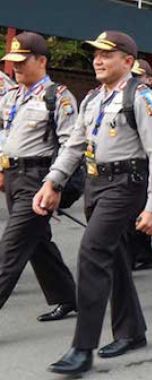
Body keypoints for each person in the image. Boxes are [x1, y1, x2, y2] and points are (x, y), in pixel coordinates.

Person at [34, 30, 152, 375]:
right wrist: (53, 181)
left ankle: (82, 347)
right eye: (95, 54)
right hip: (97, 183)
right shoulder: (93, 99)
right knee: (116, 256)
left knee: (92, 253)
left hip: (126, 185)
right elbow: (74, 146)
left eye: (107, 54)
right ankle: (132, 330)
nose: (97, 59)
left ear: (128, 61)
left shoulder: (142, 99)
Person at [0, 32, 77, 322]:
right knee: (38, 243)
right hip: (14, 176)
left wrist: (54, 183)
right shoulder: (11, 96)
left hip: (38, 179)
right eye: (13, 62)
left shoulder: (58, 97)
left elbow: (71, 144)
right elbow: (5, 134)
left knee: (11, 246)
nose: (16, 67)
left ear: (42, 61)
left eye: (23, 61)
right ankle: (67, 297)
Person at [128, 58, 152, 270]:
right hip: (128, 165)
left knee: (138, 210)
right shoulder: (126, 97)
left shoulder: (149, 99)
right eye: (133, 75)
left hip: (145, 163)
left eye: (139, 76)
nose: (135, 80)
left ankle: (141, 255)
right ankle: (141, 253)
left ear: (149, 79)